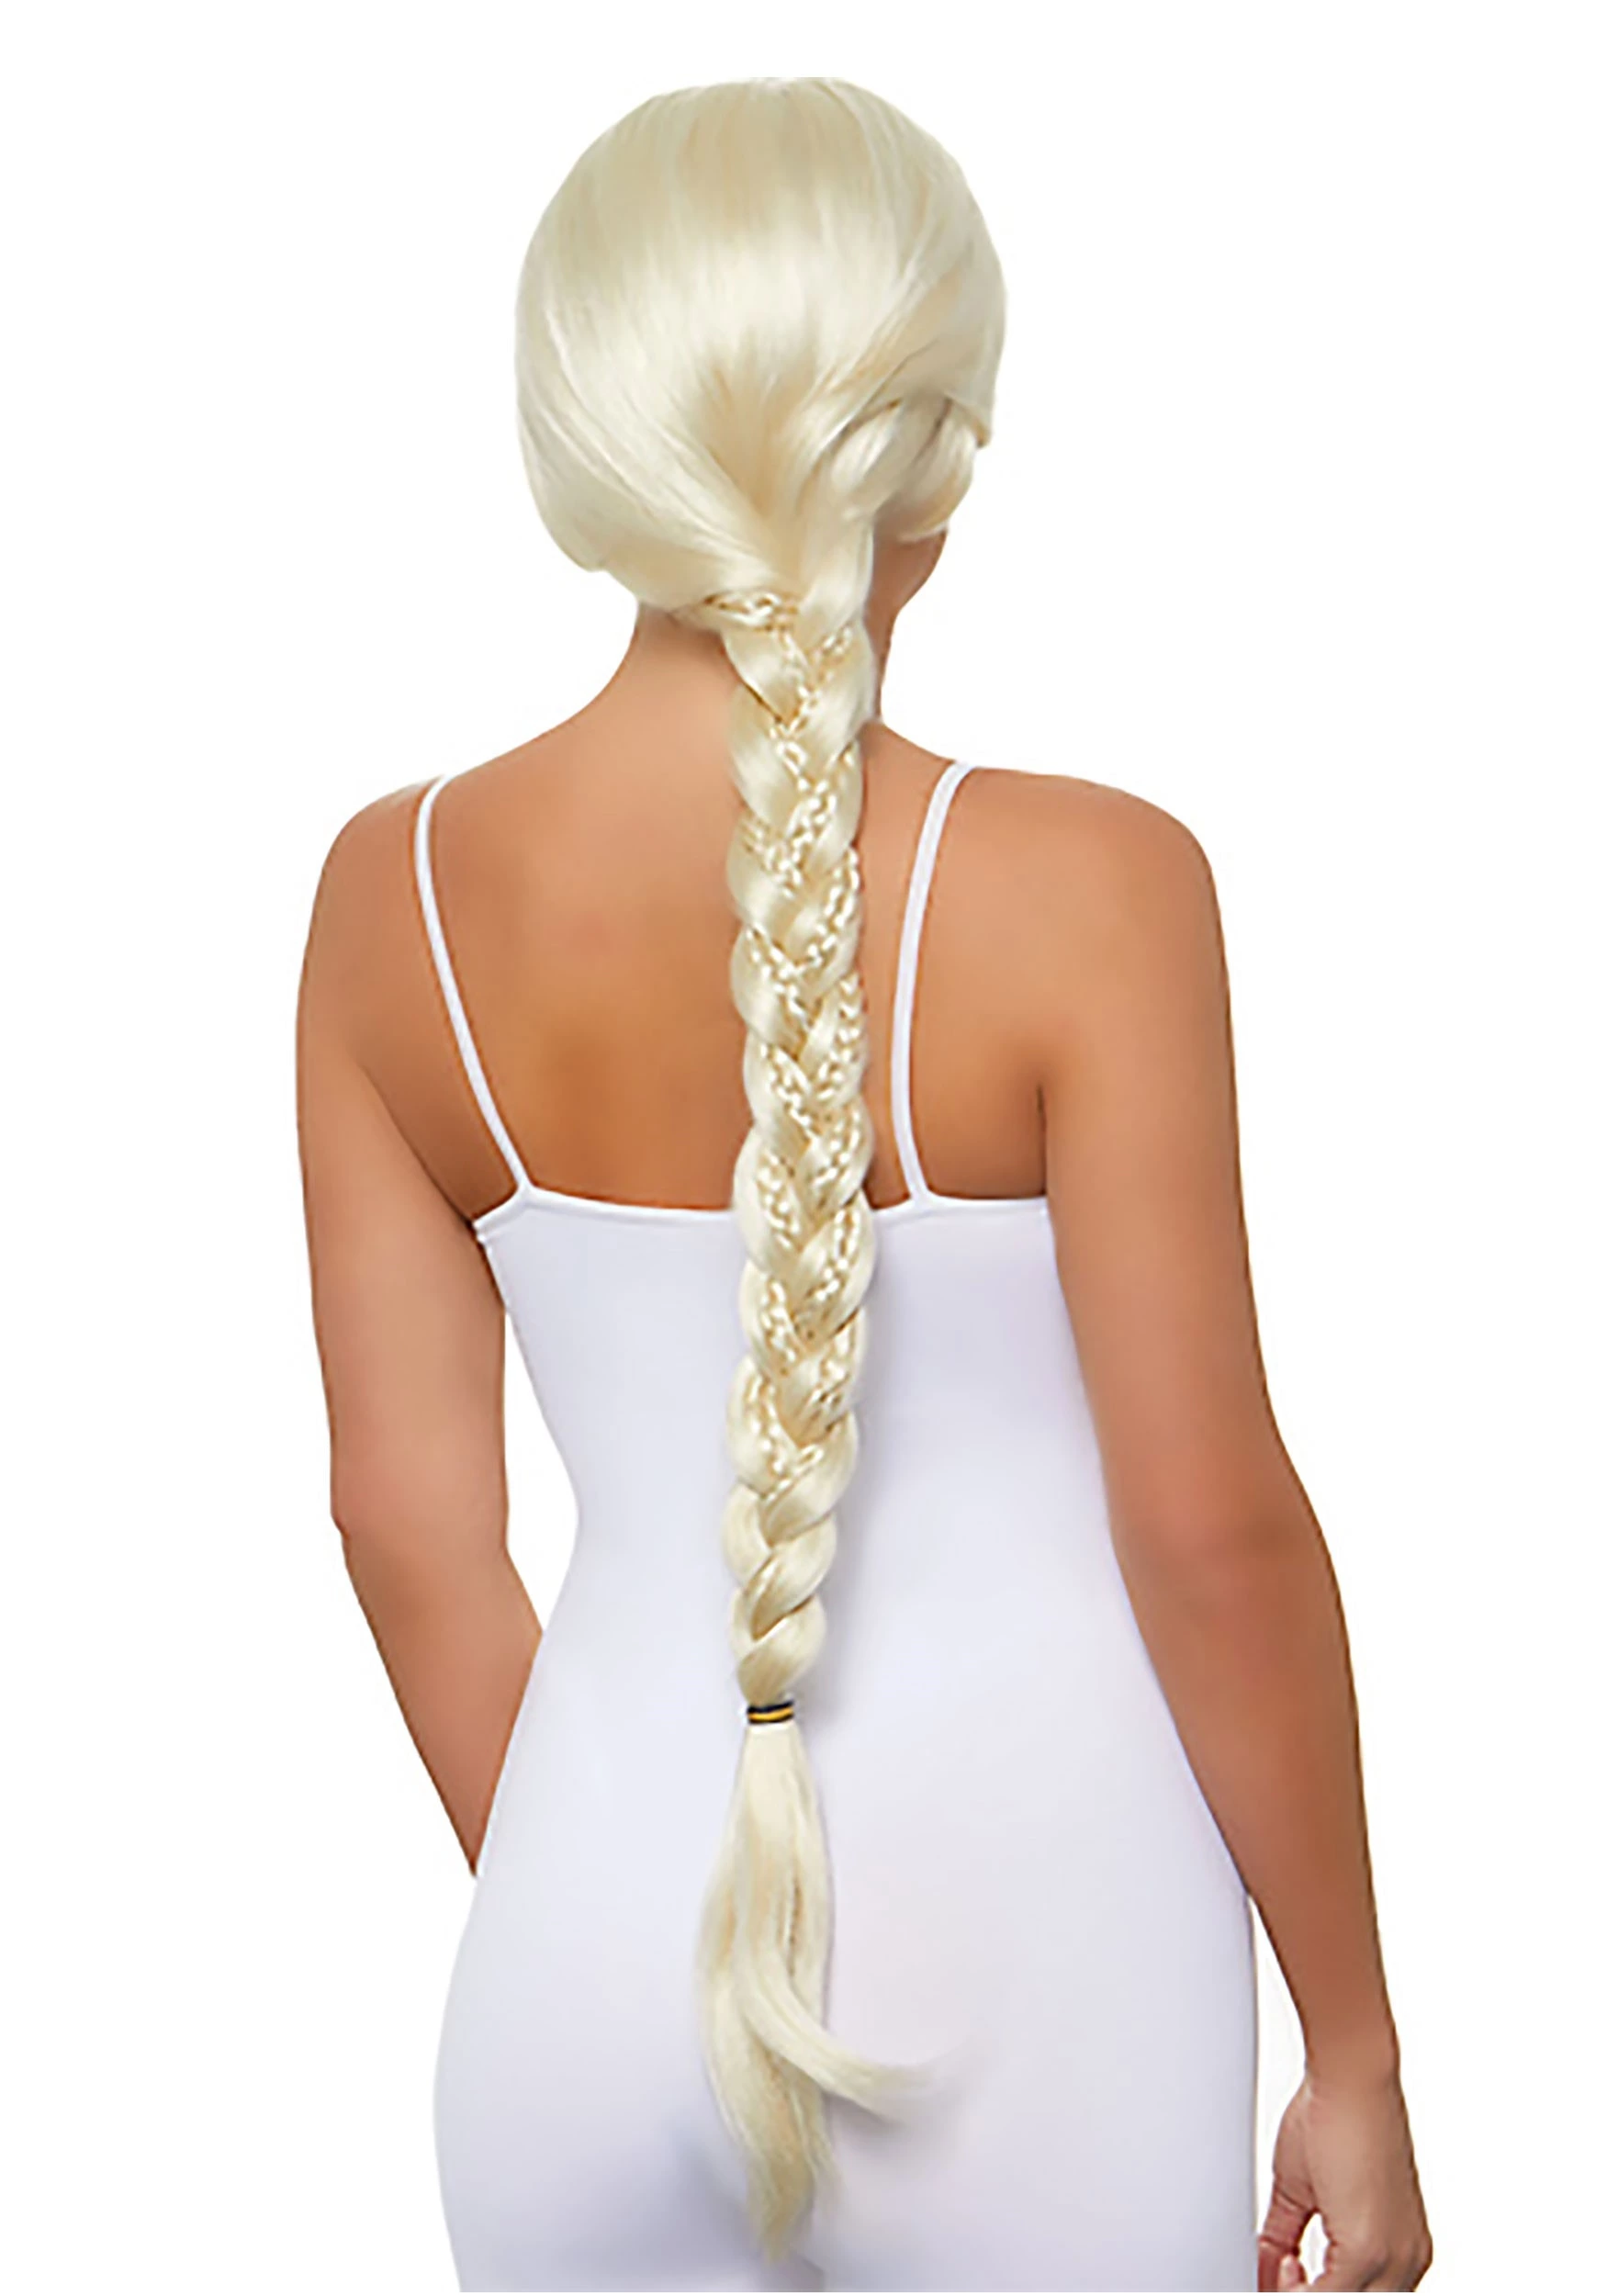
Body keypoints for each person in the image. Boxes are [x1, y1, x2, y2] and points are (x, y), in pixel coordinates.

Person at [296, 75, 1432, 2294]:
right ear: (934, 455)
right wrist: (1357, 2046)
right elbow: (1208, 1527)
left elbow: (404, 1531)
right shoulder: (1090, 888)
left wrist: (613, 1926)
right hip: (1048, 1979)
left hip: (583, 1962)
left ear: (586, 435)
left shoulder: (386, 900)